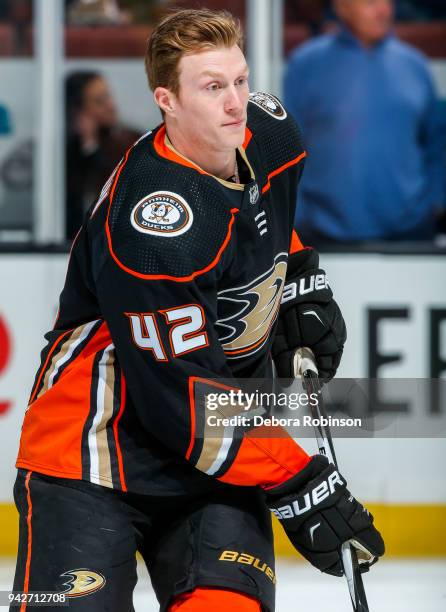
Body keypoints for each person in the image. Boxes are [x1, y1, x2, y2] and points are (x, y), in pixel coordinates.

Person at [12, 9, 383, 612]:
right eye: (212, 87)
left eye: (239, 80)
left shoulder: (270, 133)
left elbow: (260, 223)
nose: (237, 102)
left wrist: (294, 282)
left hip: (215, 465)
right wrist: (299, 481)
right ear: (167, 101)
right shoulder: (154, 225)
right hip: (93, 456)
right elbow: (188, 405)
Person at [284, 0, 445, 244]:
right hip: (324, 236)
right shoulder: (305, 65)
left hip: (410, 233)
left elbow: (436, 142)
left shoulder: (415, 65)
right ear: (342, 7)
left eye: (388, 1)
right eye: (370, 2)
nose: (384, 10)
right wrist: (299, 216)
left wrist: (434, 202)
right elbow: (289, 149)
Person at [65, 71, 140, 239]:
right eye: (99, 101)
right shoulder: (66, 152)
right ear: (79, 111)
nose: (110, 105)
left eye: (108, 96)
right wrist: (88, 146)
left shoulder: (131, 141)